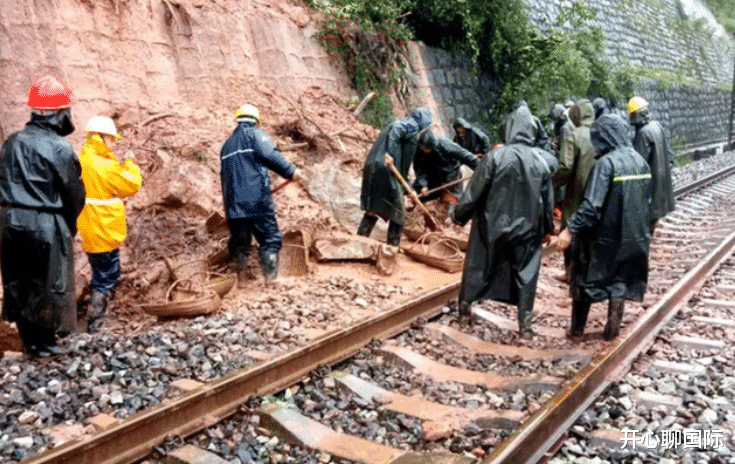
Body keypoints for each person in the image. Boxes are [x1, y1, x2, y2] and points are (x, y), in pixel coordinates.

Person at [450, 104, 556, 336]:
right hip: (528, 230)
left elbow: (474, 192)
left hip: (491, 225)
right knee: (526, 272)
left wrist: (458, 216)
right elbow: (547, 202)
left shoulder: (495, 157)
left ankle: (465, 312)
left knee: (478, 266)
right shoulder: (541, 162)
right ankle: (525, 323)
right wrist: (548, 228)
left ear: (509, 129)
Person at [0, 75, 86, 357]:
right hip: (45, 221)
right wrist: (68, 225)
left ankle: (31, 345)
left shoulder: (12, 142)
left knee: (19, 282)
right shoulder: (59, 148)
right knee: (50, 284)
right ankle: (47, 345)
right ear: (60, 113)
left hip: (9, 221)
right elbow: (74, 194)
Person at [556, 113, 651, 341]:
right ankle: (613, 326)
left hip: (603, 238)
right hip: (633, 237)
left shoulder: (606, 164)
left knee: (584, 279)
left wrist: (570, 230)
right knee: (620, 279)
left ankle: (577, 331)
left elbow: (591, 206)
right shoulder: (640, 162)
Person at [220, 104, 302, 287]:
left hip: (232, 203)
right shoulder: (256, 135)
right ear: (256, 121)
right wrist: (291, 171)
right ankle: (272, 279)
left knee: (240, 241)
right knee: (270, 237)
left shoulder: (227, 145)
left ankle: (242, 281)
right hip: (256, 200)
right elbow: (270, 155)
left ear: (238, 120)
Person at [77, 116, 143, 332]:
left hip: (90, 226)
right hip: (104, 227)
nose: (114, 143)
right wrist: (131, 164)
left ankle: (96, 315)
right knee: (106, 275)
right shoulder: (104, 164)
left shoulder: (83, 159)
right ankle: (96, 324)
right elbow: (131, 185)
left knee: (100, 269)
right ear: (102, 137)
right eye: (111, 139)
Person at [358, 107, 433, 246]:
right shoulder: (412, 125)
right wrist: (390, 155)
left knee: (373, 207)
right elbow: (396, 131)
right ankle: (392, 249)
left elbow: (402, 171)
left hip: (374, 167)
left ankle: (359, 241)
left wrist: (409, 189)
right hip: (386, 168)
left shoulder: (404, 127)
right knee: (398, 213)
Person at [552, 99, 597, 283]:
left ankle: (570, 272)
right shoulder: (601, 133)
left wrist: (552, 183)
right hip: (599, 189)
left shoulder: (573, 135)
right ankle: (590, 272)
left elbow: (565, 167)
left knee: (570, 227)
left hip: (577, 190)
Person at [628, 96, 675, 233]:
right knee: (653, 215)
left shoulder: (643, 134)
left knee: (645, 218)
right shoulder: (656, 126)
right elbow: (669, 154)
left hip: (651, 183)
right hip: (661, 178)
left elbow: (639, 164)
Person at [412, 129, 479, 215]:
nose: (425, 150)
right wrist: (423, 185)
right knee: (420, 190)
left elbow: (466, 156)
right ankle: (421, 210)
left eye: (427, 148)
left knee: (453, 200)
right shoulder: (419, 151)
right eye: (423, 147)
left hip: (451, 175)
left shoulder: (446, 145)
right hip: (434, 175)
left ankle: (450, 215)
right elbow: (420, 169)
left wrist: (481, 167)